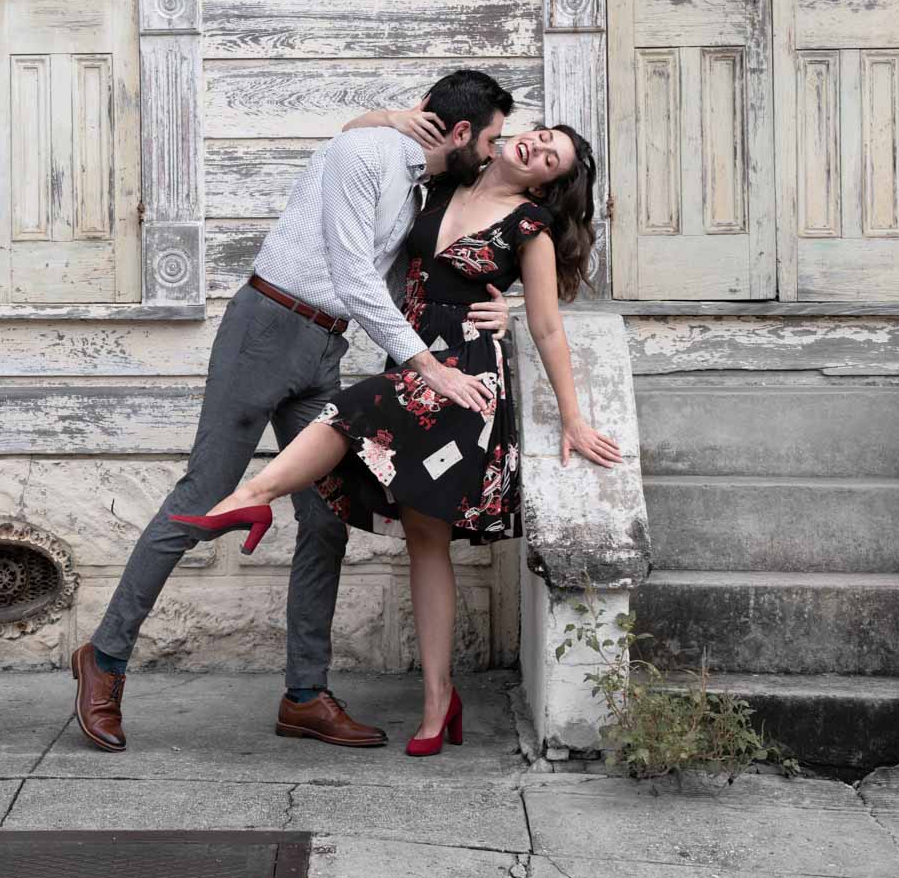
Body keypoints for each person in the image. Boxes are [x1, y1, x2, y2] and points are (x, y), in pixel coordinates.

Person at [71, 68, 515, 754]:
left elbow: (416, 280)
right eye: (489, 141)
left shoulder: (417, 184)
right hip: (267, 328)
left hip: (323, 347)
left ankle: (304, 696)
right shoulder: (362, 153)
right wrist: (427, 369)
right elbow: (353, 274)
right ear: (459, 133)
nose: (492, 154)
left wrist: (498, 312)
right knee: (205, 495)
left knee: (324, 517)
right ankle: (104, 658)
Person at [173, 121, 622, 756]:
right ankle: (441, 698)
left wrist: (570, 415)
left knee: (349, 410)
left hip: (464, 382)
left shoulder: (531, 229)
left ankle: (251, 497)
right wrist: (393, 114)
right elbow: (355, 153)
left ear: (547, 184)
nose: (539, 148)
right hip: (412, 360)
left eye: (552, 159)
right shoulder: (440, 184)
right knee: (424, 539)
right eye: (542, 136)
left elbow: (549, 327)